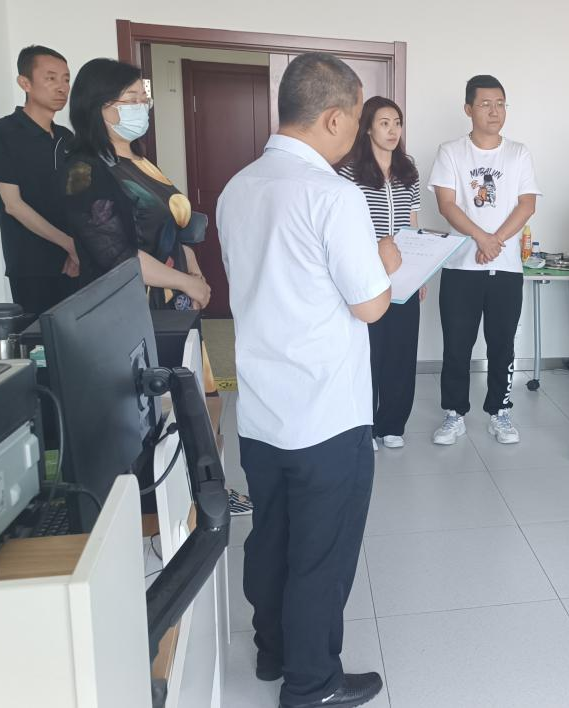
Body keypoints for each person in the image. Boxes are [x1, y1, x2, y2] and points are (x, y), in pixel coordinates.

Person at [217, 52, 397, 708]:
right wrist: (386, 259)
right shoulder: (333, 195)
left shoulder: (238, 187)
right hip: (326, 412)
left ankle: (273, 651)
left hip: (262, 407)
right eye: (356, 119)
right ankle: (312, 683)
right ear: (334, 118)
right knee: (321, 552)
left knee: (272, 536)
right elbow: (370, 305)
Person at [428, 74, 540, 446]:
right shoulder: (450, 151)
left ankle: (500, 411)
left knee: (502, 344)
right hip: (461, 266)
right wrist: (482, 238)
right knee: (456, 345)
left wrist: (496, 241)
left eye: (500, 104)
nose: (495, 111)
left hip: (505, 268)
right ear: (468, 109)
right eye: (485, 104)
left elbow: (527, 204)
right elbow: (446, 204)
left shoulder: (518, 153)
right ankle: (454, 414)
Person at [60, 58, 211, 311]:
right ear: (96, 106)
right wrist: (186, 282)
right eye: (131, 100)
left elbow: (167, 229)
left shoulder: (140, 162)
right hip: (129, 308)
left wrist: (194, 274)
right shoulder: (84, 171)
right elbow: (115, 254)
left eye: (144, 99)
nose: (141, 107)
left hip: (173, 298)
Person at [337, 96, 423, 450]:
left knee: (401, 352)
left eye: (397, 123)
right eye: (384, 123)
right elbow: (344, 228)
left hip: (403, 274)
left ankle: (392, 424)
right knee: (368, 352)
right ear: (368, 127)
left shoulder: (408, 171)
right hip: (365, 274)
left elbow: (413, 224)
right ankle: (365, 425)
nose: (392, 130)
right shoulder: (349, 172)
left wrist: (419, 273)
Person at [0, 45, 80, 319]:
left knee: (79, 339)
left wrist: (78, 249)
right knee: (38, 340)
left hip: (75, 262)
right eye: (51, 78)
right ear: (25, 83)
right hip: (32, 265)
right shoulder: (0, 132)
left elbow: (78, 199)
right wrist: (69, 244)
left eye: (66, 79)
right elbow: (13, 205)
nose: (62, 87)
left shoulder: (67, 138)